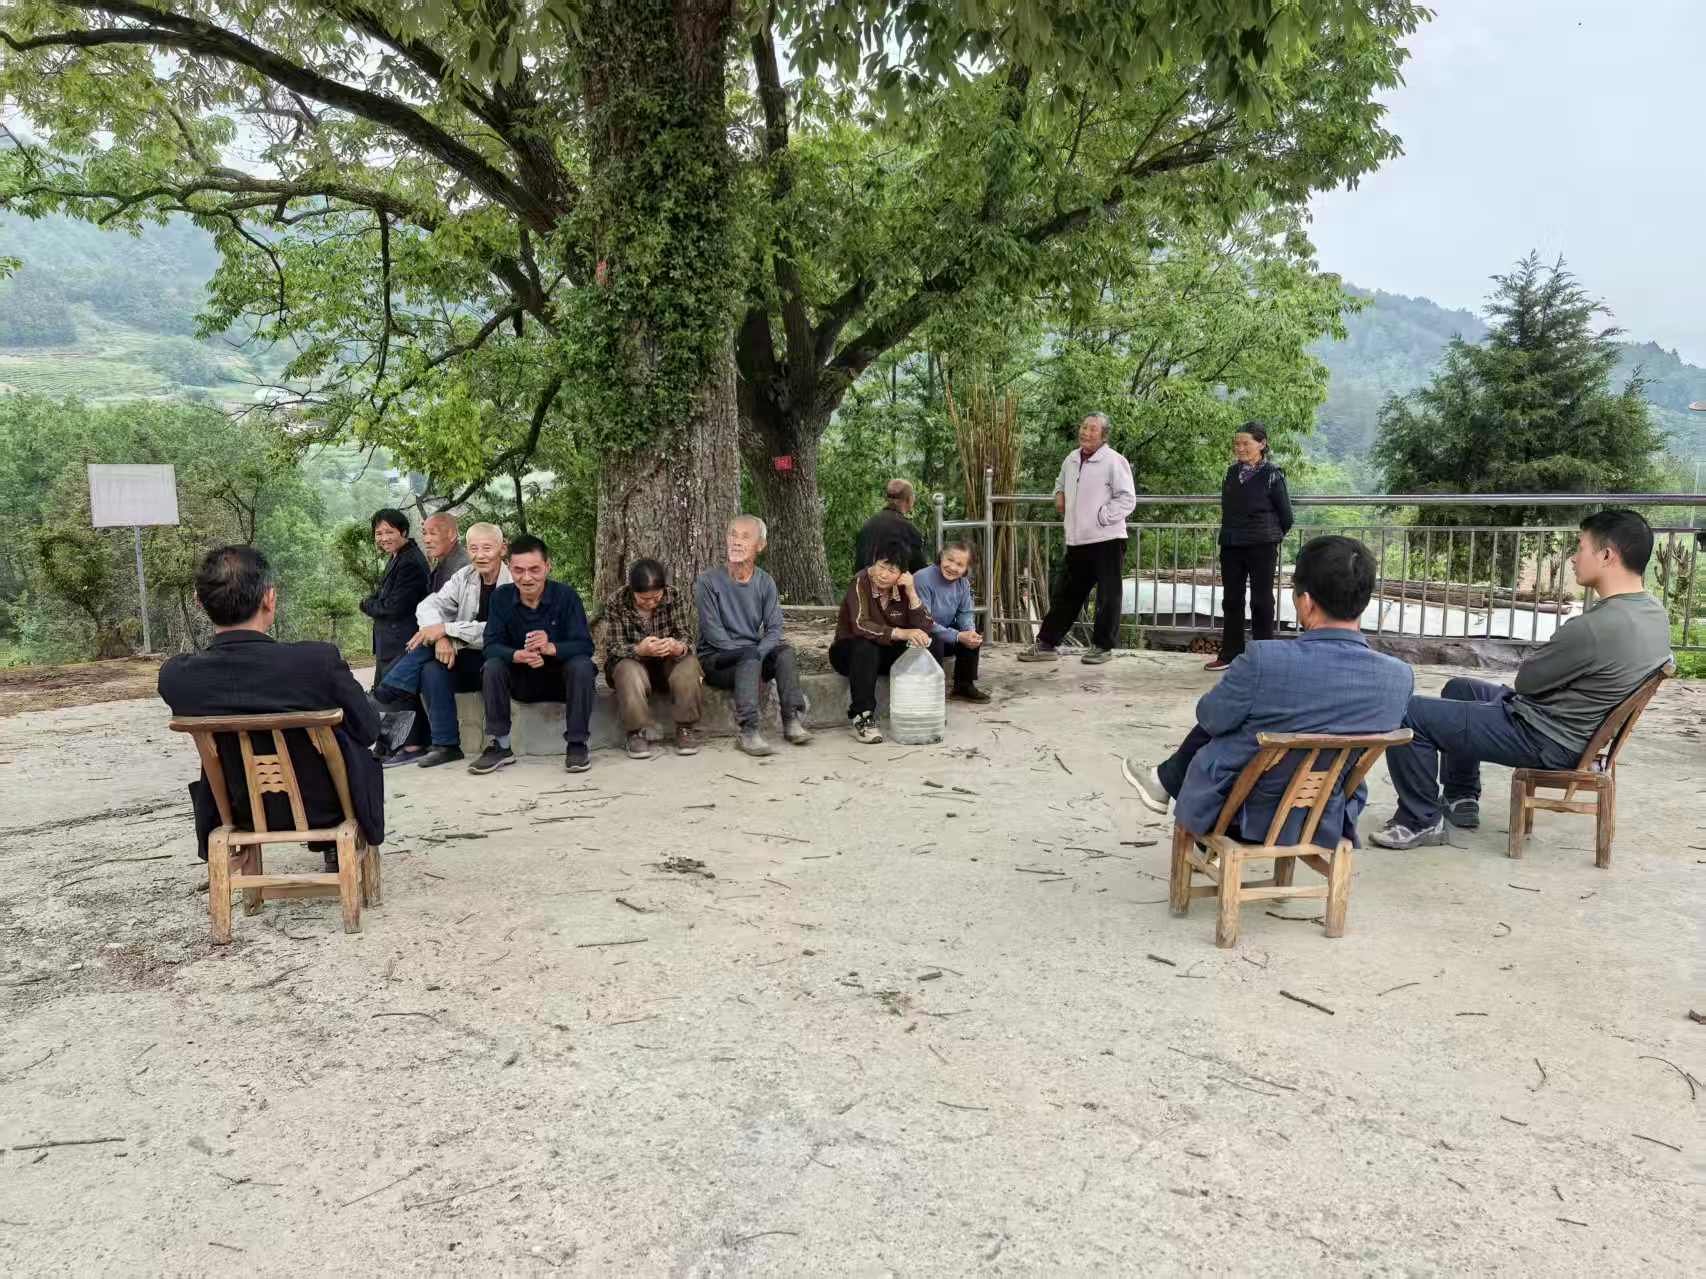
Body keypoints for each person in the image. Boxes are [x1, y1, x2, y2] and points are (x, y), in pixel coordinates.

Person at [1371, 510, 1673, 849]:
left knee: (1408, 712)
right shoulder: (1654, 614)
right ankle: (1461, 797)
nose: (1574, 558)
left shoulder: (1595, 628)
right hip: (1574, 729)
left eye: (1580, 547)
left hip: (1545, 737)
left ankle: (1420, 820)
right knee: (1460, 688)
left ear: (1606, 556)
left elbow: (1528, 682)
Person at [1121, 535, 1411, 848]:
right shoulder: (1399, 677)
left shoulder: (1264, 660)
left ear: (1306, 602)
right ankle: (1162, 779)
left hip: (1234, 815)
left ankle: (1164, 781)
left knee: (1232, 718)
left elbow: (1209, 716)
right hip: (1323, 816)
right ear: (1364, 601)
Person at [158, 546, 384, 871]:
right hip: (327, 808)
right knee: (355, 730)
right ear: (269, 597)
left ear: (199, 602)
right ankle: (334, 845)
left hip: (238, 810)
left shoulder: (177, 676)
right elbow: (368, 730)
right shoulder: (315, 661)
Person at [373, 522, 510, 769]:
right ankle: (446, 746)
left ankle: (388, 689)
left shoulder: (513, 581)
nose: (480, 555)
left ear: (502, 549)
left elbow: (495, 632)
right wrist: (440, 637)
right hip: (468, 656)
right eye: (474, 548)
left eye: (487, 548)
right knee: (431, 669)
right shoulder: (465, 576)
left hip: (499, 662)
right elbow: (428, 605)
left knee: (426, 645)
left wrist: (446, 629)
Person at [470, 534, 597, 775]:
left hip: (561, 682)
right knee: (492, 666)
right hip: (522, 681)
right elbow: (491, 646)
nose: (526, 578)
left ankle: (577, 744)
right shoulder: (500, 597)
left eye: (534, 569)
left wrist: (551, 648)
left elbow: (585, 645)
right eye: (519, 570)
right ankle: (501, 746)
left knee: (582, 665)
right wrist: (517, 655)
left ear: (547, 566)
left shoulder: (566, 596)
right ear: (510, 568)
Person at [1018, 413, 1136, 665]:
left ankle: (1102, 647)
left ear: (1103, 435)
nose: (1086, 432)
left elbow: (1127, 498)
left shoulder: (1114, 461)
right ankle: (1047, 643)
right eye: (1084, 427)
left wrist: (1102, 516)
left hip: (1107, 539)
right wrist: (1059, 494)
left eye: (1093, 429)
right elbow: (1060, 483)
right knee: (1067, 594)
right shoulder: (1071, 459)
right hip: (1077, 540)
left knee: (1107, 597)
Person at [694, 515, 812, 757]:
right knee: (748, 656)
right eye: (733, 535)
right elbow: (713, 632)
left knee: (784, 653)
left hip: (752, 658)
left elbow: (774, 628)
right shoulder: (707, 581)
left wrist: (757, 655)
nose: (736, 541)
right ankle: (748, 731)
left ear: (760, 545)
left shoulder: (765, 582)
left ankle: (791, 719)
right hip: (718, 660)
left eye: (745, 537)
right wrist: (749, 657)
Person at [1207, 421, 1294, 673]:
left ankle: (1264, 657)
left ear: (1262, 444)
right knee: (1231, 600)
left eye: (1246, 443)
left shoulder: (1273, 474)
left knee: (1261, 601)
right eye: (1237, 443)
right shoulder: (1231, 473)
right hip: (1231, 544)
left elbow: (1286, 516)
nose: (1240, 448)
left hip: (1262, 545)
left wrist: (1269, 536)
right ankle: (1230, 653)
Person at [830, 535, 935, 743]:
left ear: (902, 574)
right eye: (881, 567)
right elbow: (860, 625)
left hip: (884, 653)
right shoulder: (860, 581)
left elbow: (925, 627)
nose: (884, 575)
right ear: (874, 563)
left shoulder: (904, 588)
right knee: (865, 645)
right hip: (850, 653)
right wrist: (900, 633)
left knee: (929, 643)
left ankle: (921, 710)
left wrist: (912, 592)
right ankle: (862, 716)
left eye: (892, 571)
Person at [601, 558, 704, 759]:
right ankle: (636, 732)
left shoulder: (674, 596)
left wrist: (677, 647)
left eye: (656, 597)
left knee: (690, 664)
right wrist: (639, 649)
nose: (650, 603)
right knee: (627, 670)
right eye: (643, 599)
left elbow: (686, 636)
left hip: (667, 664)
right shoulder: (617, 601)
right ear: (632, 591)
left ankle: (685, 727)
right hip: (634, 664)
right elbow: (613, 648)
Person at [359, 508, 430, 688]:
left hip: (400, 644)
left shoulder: (410, 562)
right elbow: (381, 592)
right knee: (382, 695)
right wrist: (371, 601)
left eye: (389, 532)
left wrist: (365, 604)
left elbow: (393, 607)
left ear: (403, 532)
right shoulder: (398, 555)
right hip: (390, 643)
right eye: (379, 533)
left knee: (393, 698)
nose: (384, 538)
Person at [912, 541, 989, 703]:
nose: (952, 567)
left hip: (944, 632)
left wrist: (969, 633)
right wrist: (958, 636)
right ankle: (932, 691)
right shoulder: (922, 578)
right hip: (918, 635)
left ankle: (963, 686)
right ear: (941, 557)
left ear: (966, 569)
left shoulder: (963, 583)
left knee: (973, 635)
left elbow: (965, 614)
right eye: (949, 560)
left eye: (960, 564)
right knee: (934, 639)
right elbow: (924, 622)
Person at [853, 478, 928, 574]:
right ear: (909, 500)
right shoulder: (908, 530)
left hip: (863, 581)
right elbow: (919, 571)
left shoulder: (867, 525)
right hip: (891, 583)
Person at [422, 512, 471, 592]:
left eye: (433, 533)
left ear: (452, 535)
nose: (426, 540)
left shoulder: (464, 569)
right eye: (424, 533)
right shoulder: (444, 562)